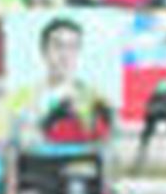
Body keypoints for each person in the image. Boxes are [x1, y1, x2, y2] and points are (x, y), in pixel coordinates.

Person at [10, 17, 114, 149]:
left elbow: (104, 142)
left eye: (72, 47)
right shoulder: (22, 97)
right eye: (58, 46)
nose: (65, 54)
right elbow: (16, 141)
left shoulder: (95, 98)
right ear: (44, 51)